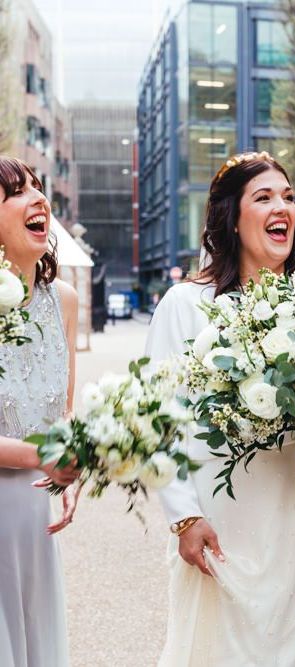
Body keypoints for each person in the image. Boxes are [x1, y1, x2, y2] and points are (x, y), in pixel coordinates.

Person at [145, 151, 295, 666]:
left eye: (288, 197)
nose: (282, 208)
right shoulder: (185, 305)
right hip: (229, 516)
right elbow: (160, 423)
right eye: (264, 197)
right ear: (231, 216)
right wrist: (184, 517)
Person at [0, 156, 80, 666]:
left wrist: (70, 468)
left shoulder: (64, 302)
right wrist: (40, 459)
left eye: (38, 187)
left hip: (33, 519)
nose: (38, 199)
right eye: (15, 192)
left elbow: (64, 413)